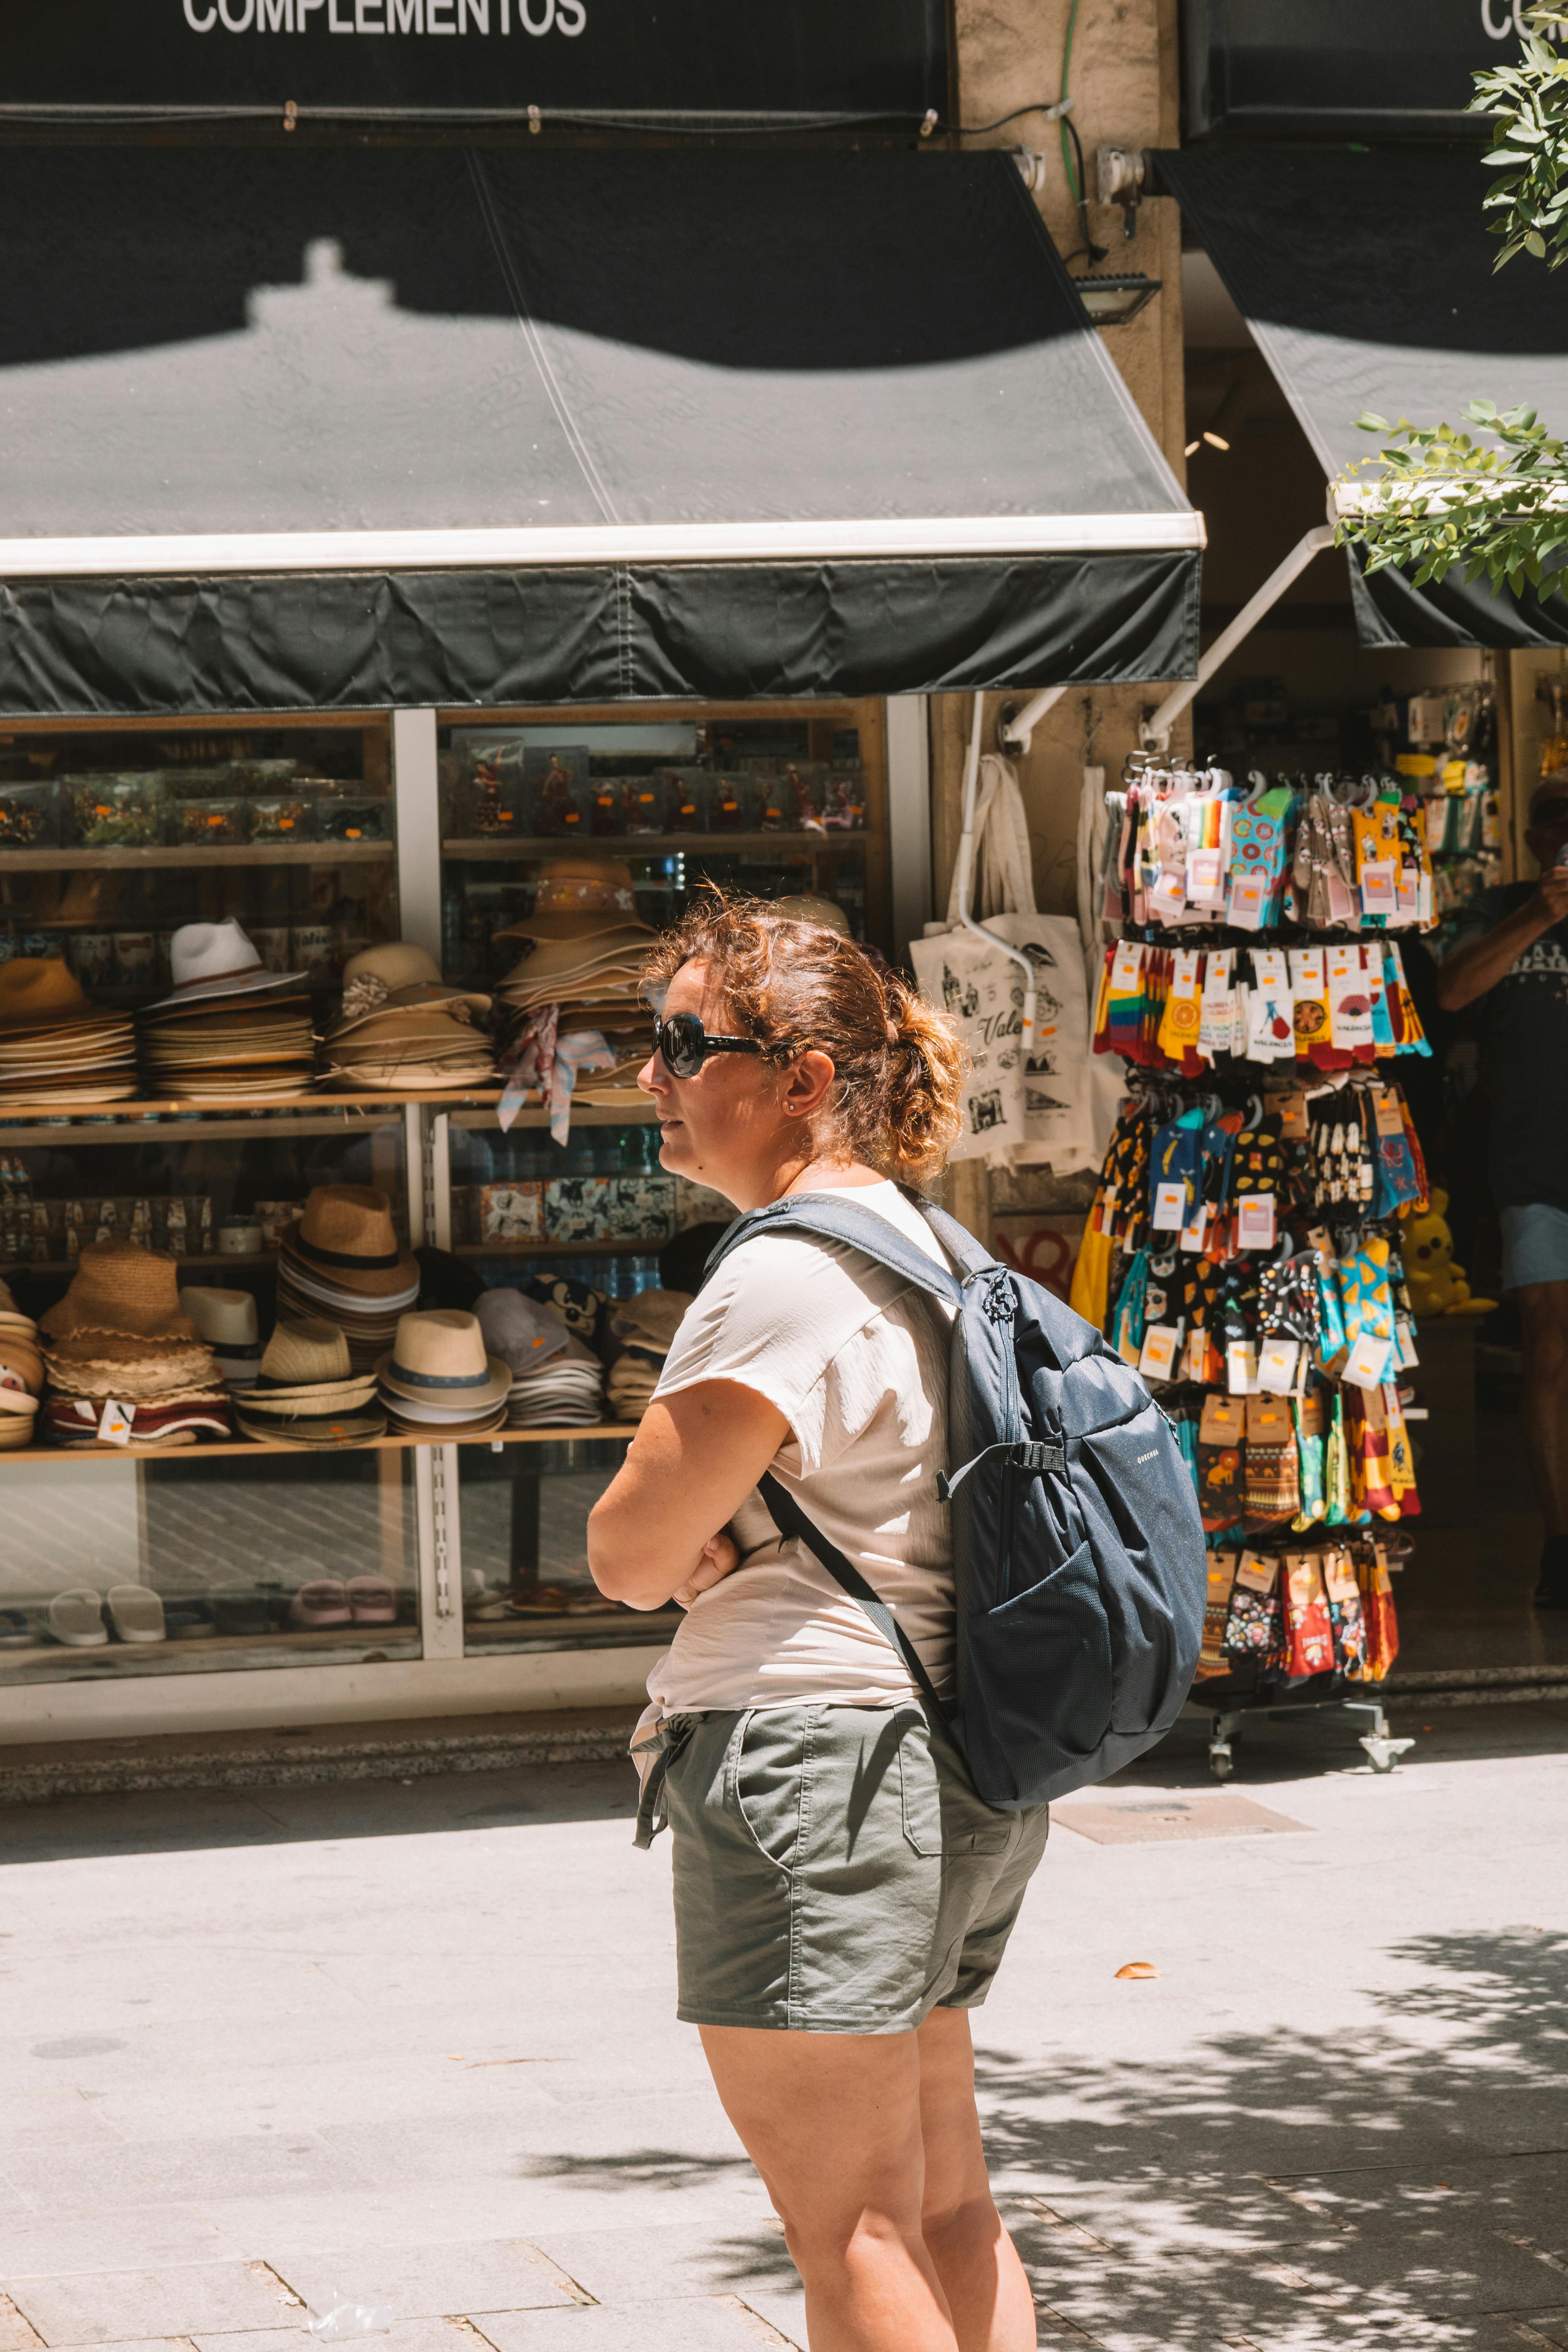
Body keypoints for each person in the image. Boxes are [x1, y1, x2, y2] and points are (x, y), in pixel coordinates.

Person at [587, 898, 1052, 2352]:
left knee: (847, 2225)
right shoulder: (925, 1243)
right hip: (952, 1756)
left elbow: (626, 1550)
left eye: (681, 1044)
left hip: (814, 1766)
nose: (647, 1076)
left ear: (801, 1081)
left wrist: (689, 1537)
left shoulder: (782, 1269)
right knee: (948, 2204)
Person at [1436, 774, 1568, 1607]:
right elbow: (1450, 992)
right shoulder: (1498, 908)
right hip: (1533, 1163)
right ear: (1528, 838)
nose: (1564, 841)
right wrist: (1540, 915)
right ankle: (1561, 1541)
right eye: (1552, 825)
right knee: (1547, 1343)